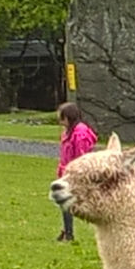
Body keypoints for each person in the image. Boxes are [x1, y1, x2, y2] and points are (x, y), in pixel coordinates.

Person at [55, 102, 97, 241]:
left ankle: (68, 233)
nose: (61, 121)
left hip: (76, 175)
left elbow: (82, 156)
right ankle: (67, 231)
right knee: (64, 201)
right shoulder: (68, 131)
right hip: (66, 173)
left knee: (68, 201)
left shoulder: (80, 133)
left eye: (63, 117)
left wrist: (77, 174)